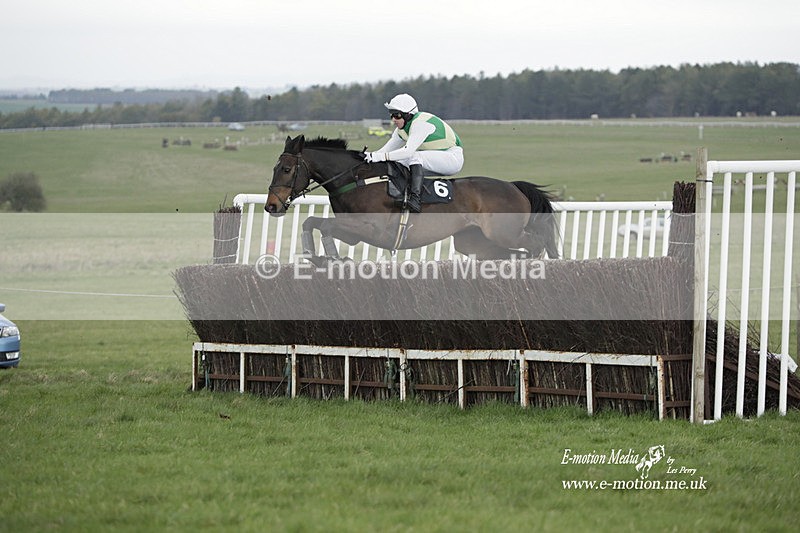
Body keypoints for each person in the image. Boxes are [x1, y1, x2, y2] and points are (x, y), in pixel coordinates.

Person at [363, 94, 463, 212]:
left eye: (397, 115)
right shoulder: (400, 130)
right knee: (397, 161)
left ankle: (415, 200)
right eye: (391, 115)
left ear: (408, 115)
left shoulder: (421, 123)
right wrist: (365, 157)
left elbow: (408, 151)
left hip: (452, 158)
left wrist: (378, 156)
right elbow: (383, 152)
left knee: (413, 157)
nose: (393, 119)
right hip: (437, 157)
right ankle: (402, 195)